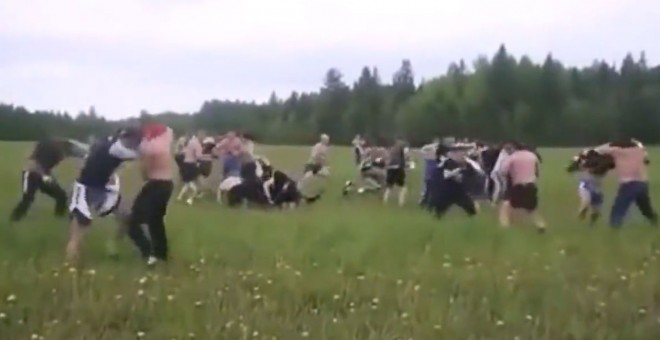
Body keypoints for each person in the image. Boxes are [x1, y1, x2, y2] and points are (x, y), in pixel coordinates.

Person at [66, 128, 142, 263]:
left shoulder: (109, 142)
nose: (136, 145)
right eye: (136, 142)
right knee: (80, 230)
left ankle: (112, 244)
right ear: (128, 139)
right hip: (84, 189)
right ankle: (70, 267)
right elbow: (139, 155)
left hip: (101, 189)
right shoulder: (117, 149)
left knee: (126, 214)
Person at [126, 123, 174, 266]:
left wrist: (142, 160)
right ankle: (161, 254)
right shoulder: (164, 140)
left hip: (155, 184)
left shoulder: (146, 148)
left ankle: (148, 252)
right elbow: (169, 130)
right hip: (167, 184)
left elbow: (145, 174)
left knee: (133, 221)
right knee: (156, 221)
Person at [10, 138, 88, 222]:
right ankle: (14, 220)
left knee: (61, 196)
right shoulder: (54, 149)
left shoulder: (57, 146)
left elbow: (81, 153)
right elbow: (36, 163)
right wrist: (45, 175)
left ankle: (58, 218)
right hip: (31, 174)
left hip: (43, 174)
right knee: (28, 199)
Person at [595, 138, 657, 228]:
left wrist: (611, 144)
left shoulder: (616, 151)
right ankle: (655, 222)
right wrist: (637, 143)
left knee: (618, 209)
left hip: (629, 184)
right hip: (642, 183)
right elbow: (646, 159)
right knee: (646, 209)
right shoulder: (640, 150)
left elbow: (598, 150)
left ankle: (614, 231)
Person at [498, 143, 546, 232]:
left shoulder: (512, 157)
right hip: (531, 185)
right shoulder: (532, 156)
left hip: (517, 186)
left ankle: (504, 227)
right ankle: (540, 225)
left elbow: (503, 171)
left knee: (506, 205)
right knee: (531, 208)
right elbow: (537, 172)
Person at [429, 145, 479, 217]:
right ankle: (436, 217)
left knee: (469, 207)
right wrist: (458, 171)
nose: (462, 155)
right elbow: (446, 175)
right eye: (460, 153)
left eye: (463, 153)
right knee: (440, 209)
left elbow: (471, 173)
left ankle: (473, 218)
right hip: (447, 190)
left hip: (459, 190)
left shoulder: (467, 164)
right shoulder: (448, 162)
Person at [566, 149, 613, 224]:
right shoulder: (586, 162)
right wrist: (575, 164)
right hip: (585, 185)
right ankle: (580, 218)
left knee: (596, 212)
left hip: (597, 188)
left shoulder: (604, 164)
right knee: (585, 202)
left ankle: (591, 224)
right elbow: (571, 167)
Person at [176, 130, 203, 205]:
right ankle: (190, 199)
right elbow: (199, 156)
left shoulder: (191, 142)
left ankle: (180, 196)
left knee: (187, 183)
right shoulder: (197, 144)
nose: (203, 138)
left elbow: (184, 151)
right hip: (191, 164)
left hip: (186, 163)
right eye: (202, 136)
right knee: (191, 183)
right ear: (199, 136)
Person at [383, 139, 409, 207]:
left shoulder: (393, 147)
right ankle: (401, 203)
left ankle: (385, 200)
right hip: (398, 167)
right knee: (403, 187)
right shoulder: (404, 145)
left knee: (389, 185)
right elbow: (406, 155)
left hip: (390, 167)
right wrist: (407, 162)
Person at [419, 138, 440, 207]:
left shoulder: (433, 156)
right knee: (427, 188)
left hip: (434, 173)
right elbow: (423, 149)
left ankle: (427, 201)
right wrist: (432, 146)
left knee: (431, 188)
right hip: (430, 173)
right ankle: (424, 201)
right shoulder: (429, 155)